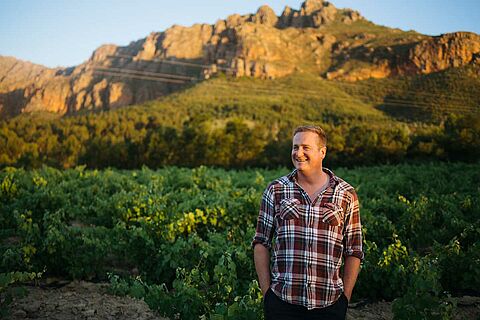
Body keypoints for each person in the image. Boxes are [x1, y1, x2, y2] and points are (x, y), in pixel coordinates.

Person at [252, 125, 364, 320]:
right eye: (295, 147)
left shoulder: (346, 194)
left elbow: (354, 250)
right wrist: (267, 295)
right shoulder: (276, 190)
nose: (298, 153)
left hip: (329, 305)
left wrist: (344, 298)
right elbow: (261, 242)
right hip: (282, 303)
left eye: (305, 147)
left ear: (322, 152)